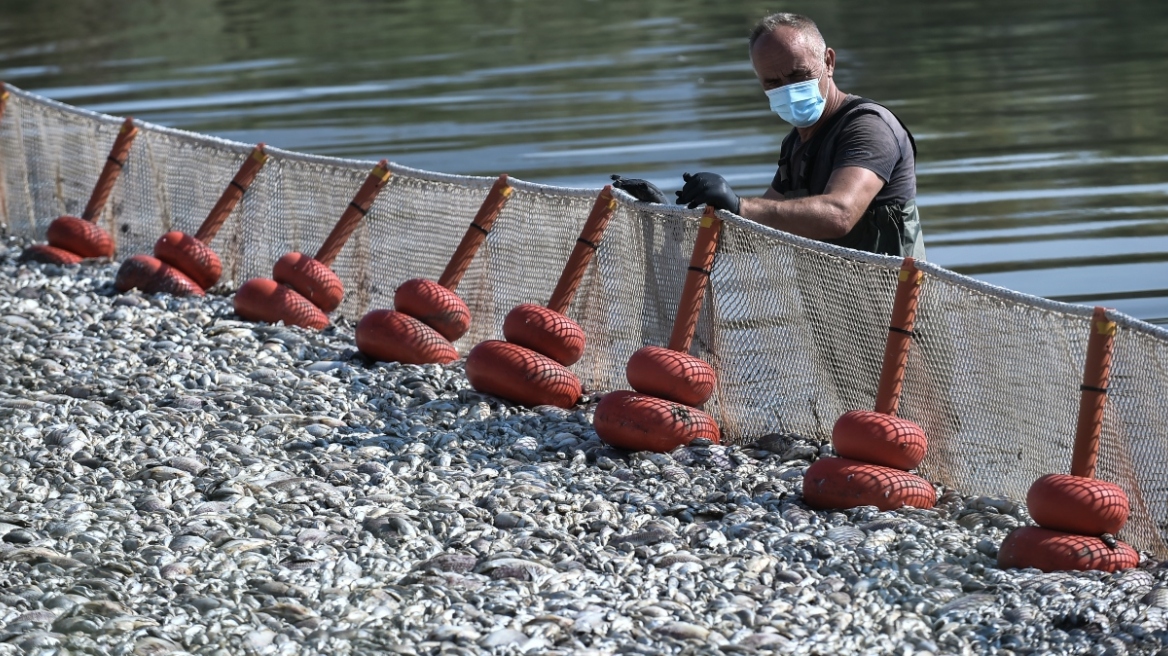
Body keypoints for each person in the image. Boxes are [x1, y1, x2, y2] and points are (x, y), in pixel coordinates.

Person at [614, 12, 924, 259]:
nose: (788, 89)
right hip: (834, 312)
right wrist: (667, 217)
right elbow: (754, 237)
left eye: (798, 75)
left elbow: (839, 214)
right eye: (773, 82)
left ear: (828, 62)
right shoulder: (795, 143)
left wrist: (739, 206)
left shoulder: (867, 127)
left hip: (897, 312)